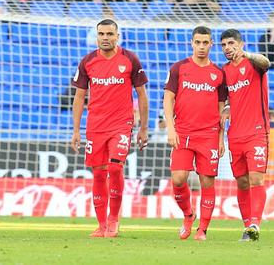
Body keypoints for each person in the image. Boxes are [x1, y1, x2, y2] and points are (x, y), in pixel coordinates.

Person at [71, 19, 149, 238]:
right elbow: (79, 97)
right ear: (97, 36)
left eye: (109, 34)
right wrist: (76, 130)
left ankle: (114, 220)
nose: (105, 37)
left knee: (114, 168)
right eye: (101, 34)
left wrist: (143, 128)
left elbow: (142, 95)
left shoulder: (130, 59)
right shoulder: (88, 61)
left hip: (121, 124)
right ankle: (101, 224)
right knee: (98, 174)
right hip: (95, 126)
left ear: (118, 36)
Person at [163, 26, 227, 241]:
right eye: (197, 42)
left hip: (208, 135)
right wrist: (170, 129)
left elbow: (221, 111)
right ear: (191, 43)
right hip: (182, 132)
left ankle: (202, 230)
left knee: (207, 181)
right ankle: (188, 214)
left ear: (211, 44)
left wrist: (221, 138)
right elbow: (168, 99)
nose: (201, 46)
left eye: (205, 42)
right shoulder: (179, 68)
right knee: (178, 179)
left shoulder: (218, 74)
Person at [220, 29, 270, 241]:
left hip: (257, 132)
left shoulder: (254, 64)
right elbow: (228, 98)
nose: (227, 48)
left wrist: (246, 54)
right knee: (241, 182)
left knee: (256, 178)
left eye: (231, 43)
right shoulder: (224, 71)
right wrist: (228, 107)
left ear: (240, 44)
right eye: (223, 45)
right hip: (235, 135)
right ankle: (247, 226)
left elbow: (266, 62)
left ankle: (255, 225)